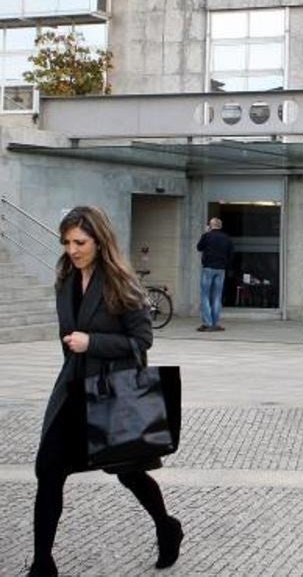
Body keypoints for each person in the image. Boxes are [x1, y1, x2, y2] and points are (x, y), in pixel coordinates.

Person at [29, 206, 183, 575]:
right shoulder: (65, 279)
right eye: (66, 242)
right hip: (71, 392)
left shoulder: (121, 283)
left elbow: (142, 340)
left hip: (110, 393)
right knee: (48, 470)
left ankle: (167, 527)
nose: (72, 250)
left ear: (99, 241)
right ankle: (42, 563)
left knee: (128, 473)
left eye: (80, 242)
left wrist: (92, 342)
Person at [195, 216, 233, 332]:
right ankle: (215, 322)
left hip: (208, 268)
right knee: (217, 296)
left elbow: (199, 247)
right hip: (221, 269)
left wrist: (206, 233)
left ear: (211, 226)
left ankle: (207, 323)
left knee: (205, 295)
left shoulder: (207, 236)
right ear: (220, 226)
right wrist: (226, 264)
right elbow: (231, 253)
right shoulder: (226, 238)